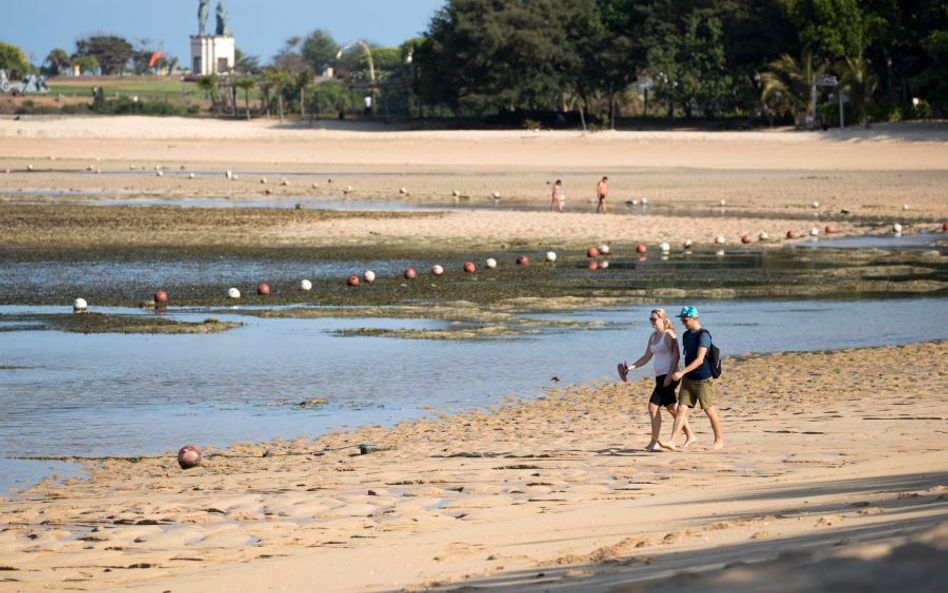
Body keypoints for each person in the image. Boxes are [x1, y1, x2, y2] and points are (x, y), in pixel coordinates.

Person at [618, 309, 695, 451]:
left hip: (670, 376)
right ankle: (690, 435)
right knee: (672, 408)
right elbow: (646, 357)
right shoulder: (653, 336)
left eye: (654, 319)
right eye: (650, 319)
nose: (652, 322)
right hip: (660, 376)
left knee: (653, 407)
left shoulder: (669, 335)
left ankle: (653, 442)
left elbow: (676, 356)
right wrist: (630, 367)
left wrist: (669, 375)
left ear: (663, 319)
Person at [659, 306, 724, 450]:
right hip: (688, 379)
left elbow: (700, 359)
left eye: (685, 319)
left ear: (694, 318)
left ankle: (719, 441)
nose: (683, 322)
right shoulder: (686, 335)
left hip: (703, 379)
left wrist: (681, 373)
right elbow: (688, 356)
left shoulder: (704, 335)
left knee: (708, 409)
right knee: (681, 409)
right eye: (682, 319)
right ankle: (672, 441)